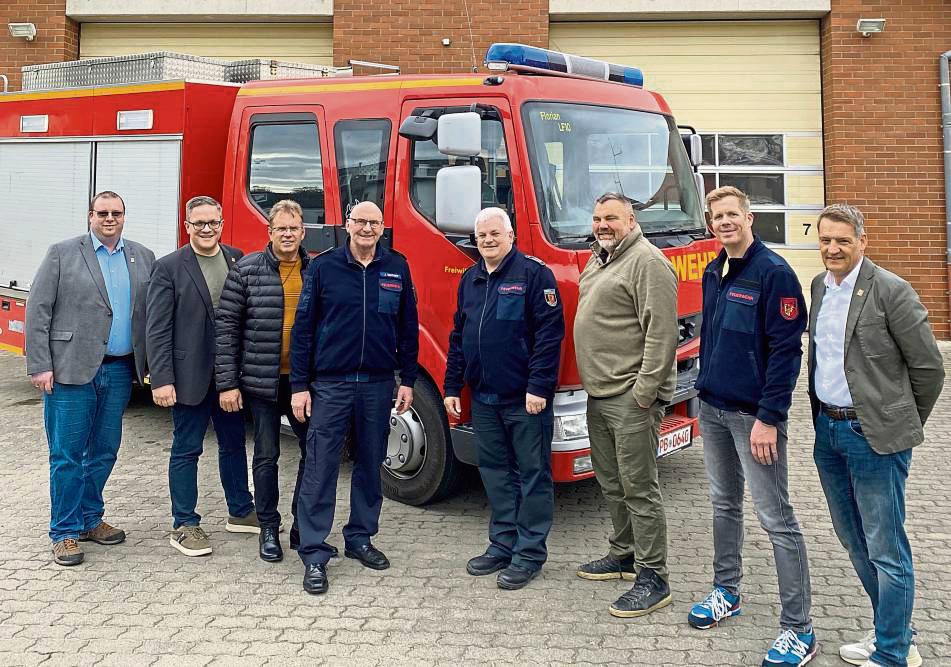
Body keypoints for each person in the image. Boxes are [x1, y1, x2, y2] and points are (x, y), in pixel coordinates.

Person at [808, 203, 943, 667]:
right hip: (828, 432)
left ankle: (892, 654)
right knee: (853, 537)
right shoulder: (818, 289)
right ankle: (895, 633)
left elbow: (929, 368)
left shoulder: (892, 291)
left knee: (886, 546)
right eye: (826, 239)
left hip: (875, 438)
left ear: (862, 242)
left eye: (843, 240)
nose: (833, 248)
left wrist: (899, 425)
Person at [691, 186, 816, 667]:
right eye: (716, 216)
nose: (724, 222)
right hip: (715, 409)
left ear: (749, 217)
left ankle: (798, 630)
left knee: (776, 519)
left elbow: (787, 354)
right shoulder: (713, 269)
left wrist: (770, 418)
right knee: (723, 505)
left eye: (731, 215)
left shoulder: (775, 275)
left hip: (754, 420)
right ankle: (727, 591)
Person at [290, 200, 419, 595]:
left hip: (379, 384)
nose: (366, 228)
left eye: (374, 222)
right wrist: (299, 385)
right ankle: (313, 552)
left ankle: (360, 537)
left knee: (369, 464)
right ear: (347, 224)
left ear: (383, 227)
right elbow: (304, 329)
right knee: (321, 465)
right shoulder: (325, 266)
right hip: (331, 384)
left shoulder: (396, 266)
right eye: (360, 221)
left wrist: (408, 379)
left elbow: (408, 327)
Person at [26, 191, 155, 566]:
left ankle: (88, 519)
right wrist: (40, 364)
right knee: (67, 455)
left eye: (116, 213)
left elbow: (149, 313)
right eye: (103, 213)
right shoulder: (62, 253)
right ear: (90, 216)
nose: (109, 219)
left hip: (118, 370)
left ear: (125, 217)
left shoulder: (142, 256)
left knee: (104, 450)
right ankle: (63, 532)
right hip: (69, 370)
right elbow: (38, 309)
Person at [444, 207, 565, 590]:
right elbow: (458, 337)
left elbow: (550, 336)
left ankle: (529, 554)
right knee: (495, 474)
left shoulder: (533, 274)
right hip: (484, 398)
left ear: (511, 235)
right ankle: (502, 544)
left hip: (523, 399)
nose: (488, 241)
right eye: (482, 236)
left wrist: (539, 387)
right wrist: (451, 387)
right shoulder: (471, 279)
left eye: (495, 234)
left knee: (532, 476)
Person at [573, 192, 678, 618]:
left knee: (639, 488)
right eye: (597, 217)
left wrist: (645, 392)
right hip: (599, 394)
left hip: (630, 397)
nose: (602, 224)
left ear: (631, 219)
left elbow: (662, 333)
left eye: (611, 217)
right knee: (612, 482)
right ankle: (624, 554)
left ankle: (654, 576)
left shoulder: (648, 262)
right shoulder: (600, 258)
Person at [216, 199, 330, 563]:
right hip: (262, 382)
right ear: (269, 232)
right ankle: (268, 526)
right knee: (266, 455)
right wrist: (228, 383)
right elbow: (227, 329)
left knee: (313, 455)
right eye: (280, 228)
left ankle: (302, 525)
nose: (287, 234)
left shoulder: (317, 271)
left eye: (293, 228)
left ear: (303, 232)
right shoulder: (246, 270)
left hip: (304, 385)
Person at [146, 195, 257, 558]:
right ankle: (184, 523)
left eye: (214, 223)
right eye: (200, 224)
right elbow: (157, 329)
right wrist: (161, 378)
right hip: (187, 377)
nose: (207, 229)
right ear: (187, 226)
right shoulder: (168, 267)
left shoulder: (237, 258)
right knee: (186, 449)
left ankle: (240, 511)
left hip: (229, 378)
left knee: (233, 445)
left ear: (222, 224)